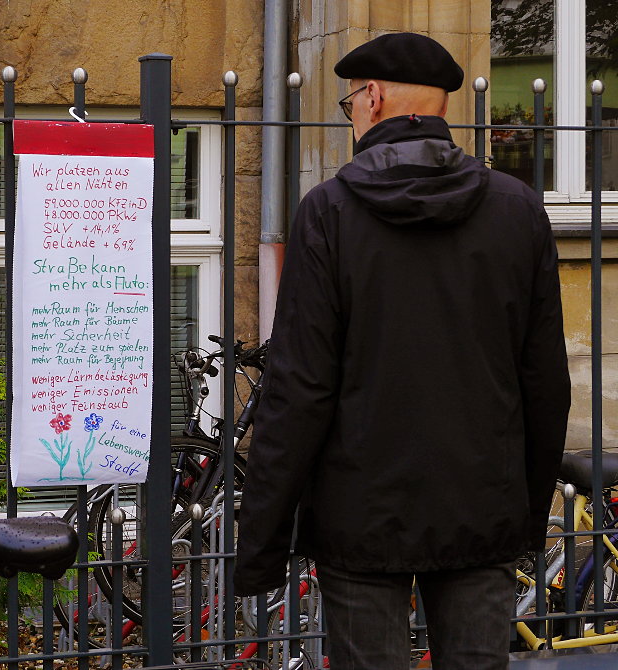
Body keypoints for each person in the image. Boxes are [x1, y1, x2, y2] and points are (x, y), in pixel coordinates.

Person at [234, 32, 571, 670]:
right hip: (481, 508)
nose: (352, 117)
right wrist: (524, 517)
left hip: (361, 516)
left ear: (375, 96)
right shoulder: (518, 211)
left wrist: (263, 545)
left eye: (350, 104)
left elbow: (299, 389)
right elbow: (545, 382)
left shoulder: (329, 213)